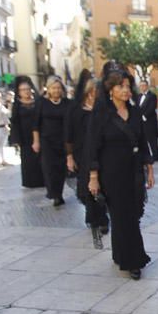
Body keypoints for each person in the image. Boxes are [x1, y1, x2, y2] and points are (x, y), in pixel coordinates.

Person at [87, 72, 154, 280]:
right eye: (120, 87)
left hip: (134, 171)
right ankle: (133, 261)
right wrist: (93, 176)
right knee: (121, 216)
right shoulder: (101, 114)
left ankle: (119, 253)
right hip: (111, 172)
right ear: (110, 90)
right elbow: (92, 147)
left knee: (131, 214)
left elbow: (143, 141)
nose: (125, 90)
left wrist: (149, 169)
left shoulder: (134, 112)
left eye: (127, 86)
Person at [66, 77, 109, 247]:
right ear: (90, 91)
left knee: (102, 184)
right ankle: (93, 217)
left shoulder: (104, 110)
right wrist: (69, 156)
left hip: (101, 152)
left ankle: (102, 218)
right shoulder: (75, 110)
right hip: (81, 153)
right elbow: (68, 134)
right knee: (87, 185)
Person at [33, 75, 71, 207]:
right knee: (49, 168)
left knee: (61, 168)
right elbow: (36, 124)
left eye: (58, 88)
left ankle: (59, 193)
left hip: (62, 140)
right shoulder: (41, 103)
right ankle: (53, 193)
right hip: (46, 140)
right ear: (48, 89)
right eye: (53, 88)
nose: (56, 90)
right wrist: (36, 141)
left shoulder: (67, 103)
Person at [9, 76, 44, 188]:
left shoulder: (38, 101)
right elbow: (14, 121)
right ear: (19, 92)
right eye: (23, 90)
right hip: (24, 136)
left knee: (40, 158)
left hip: (39, 133)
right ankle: (30, 181)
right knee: (27, 160)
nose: (26, 92)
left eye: (28, 89)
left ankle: (42, 180)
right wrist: (16, 138)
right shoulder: (17, 104)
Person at [137, 80, 158, 162]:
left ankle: (155, 156)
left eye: (143, 85)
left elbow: (152, 107)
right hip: (140, 122)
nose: (142, 87)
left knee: (152, 140)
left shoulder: (152, 96)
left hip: (150, 121)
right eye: (140, 86)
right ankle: (145, 156)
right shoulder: (138, 96)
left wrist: (144, 116)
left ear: (147, 86)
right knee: (142, 139)